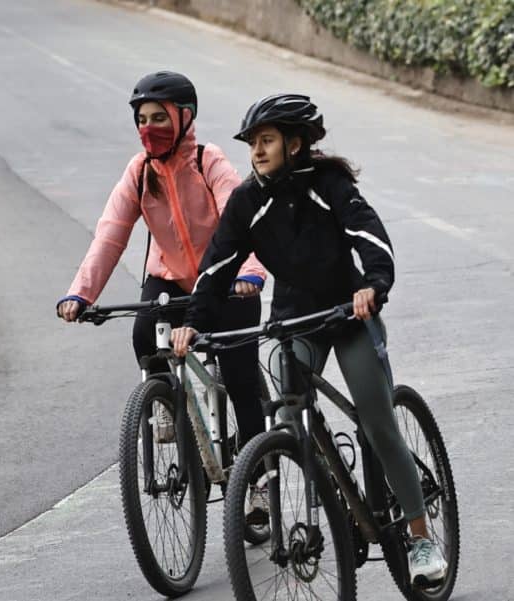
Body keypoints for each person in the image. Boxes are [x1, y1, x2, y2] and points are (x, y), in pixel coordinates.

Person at [170, 93, 447, 583]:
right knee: (291, 417)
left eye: (267, 141)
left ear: (295, 145)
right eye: (253, 143)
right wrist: (195, 319)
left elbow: (370, 235)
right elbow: (217, 264)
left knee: (378, 420)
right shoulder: (248, 202)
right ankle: (332, 502)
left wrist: (373, 285)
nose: (256, 151)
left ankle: (421, 536)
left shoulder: (329, 184)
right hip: (295, 320)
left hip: (349, 314)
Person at [55, 71, 267, 455]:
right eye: (141, 119)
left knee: (241, 382)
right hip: (168, 279)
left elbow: (243, 220)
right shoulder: (139, 172)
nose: (148, 128)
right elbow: (110, 235)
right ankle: (166, 404)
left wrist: (250, 271)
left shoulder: (208, 161)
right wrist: (79, 293)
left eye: (158, 117)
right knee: (143, 336)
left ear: (183, 117)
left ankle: (257, 485)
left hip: (226, 280)